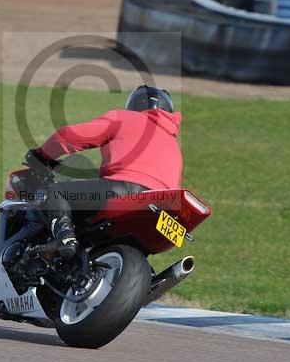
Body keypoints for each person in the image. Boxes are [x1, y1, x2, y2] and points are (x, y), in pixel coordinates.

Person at [25, 85, 182, 258]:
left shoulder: (125, 118)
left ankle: (64, 238)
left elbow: (72, 136)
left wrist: (42, 154)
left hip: (123, 192)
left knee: (55, 193)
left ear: (135, 105)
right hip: (163, 206)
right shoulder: (174, 145)